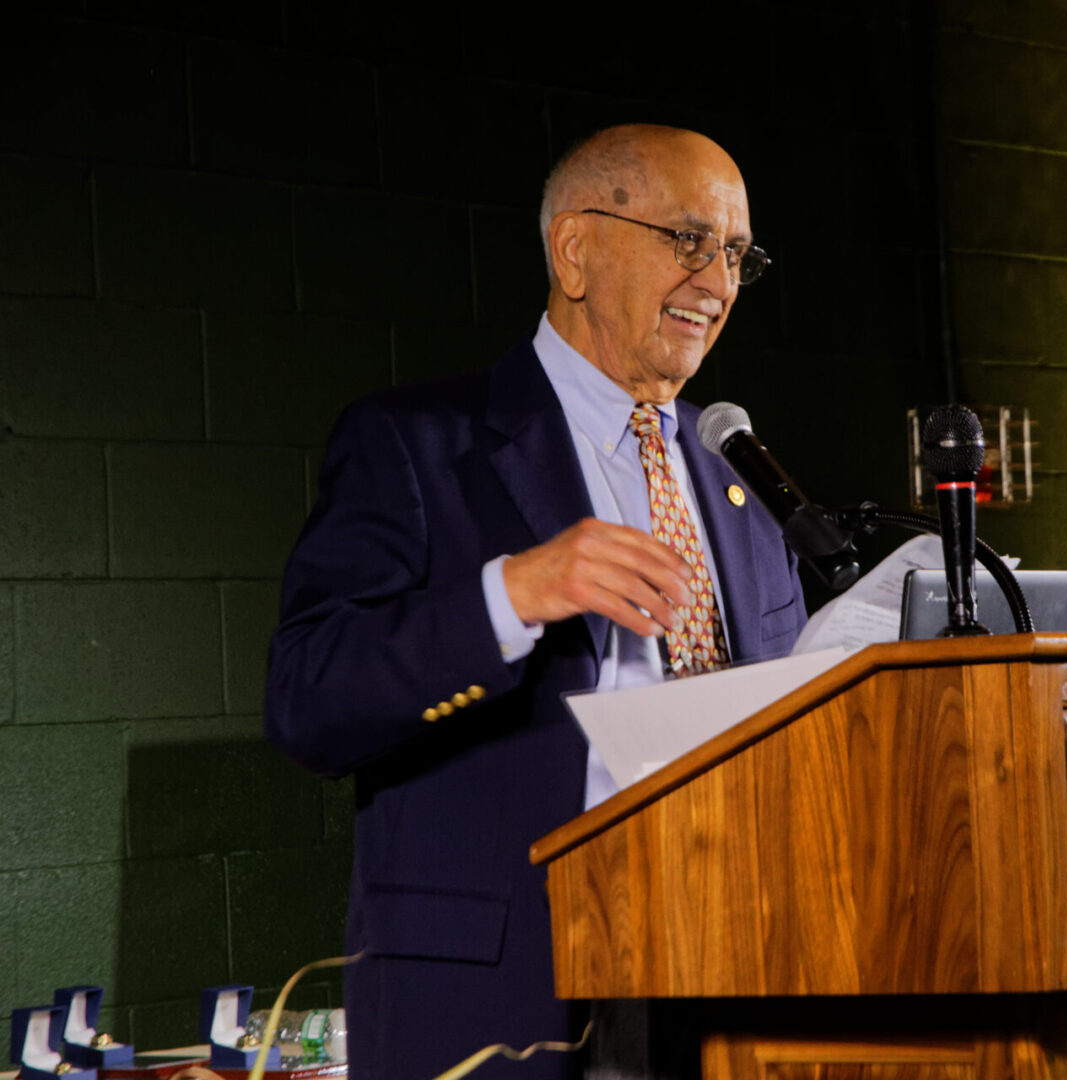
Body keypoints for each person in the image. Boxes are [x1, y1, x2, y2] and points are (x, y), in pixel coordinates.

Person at [264, 124, 807, 1080]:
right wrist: (511, 594)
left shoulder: (742, 488)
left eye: (735, 254)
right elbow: (307, 702)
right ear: (576, 249)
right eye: (688, 240)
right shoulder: (417, 446)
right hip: (505, 999)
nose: (717, 282)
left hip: (729, 987)